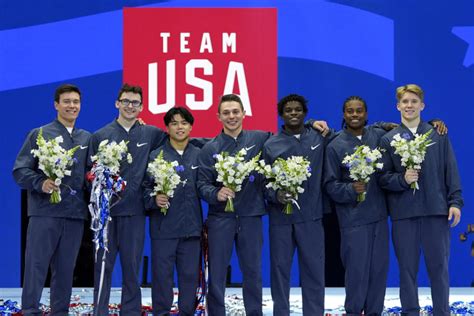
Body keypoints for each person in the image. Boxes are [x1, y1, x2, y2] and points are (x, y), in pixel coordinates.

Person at [379, 84, 463, 315]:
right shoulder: (389, 140)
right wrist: (403, 179)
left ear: (422, 105)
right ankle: (410, 312)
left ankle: (441, 312)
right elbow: (383, 179)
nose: (409, 106)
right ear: (398, 106)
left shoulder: (438, 134)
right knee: (407, 269)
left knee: (439, 268)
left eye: (413, 102)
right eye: (405, 102)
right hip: (403, 214)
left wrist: (455, 202)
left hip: (436, 211)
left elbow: (450, 170)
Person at [13, 84, 91, 315]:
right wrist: (40, 183)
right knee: (36, 265)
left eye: (76, 102)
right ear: (56, 104)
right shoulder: (40, 134)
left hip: (74, 214)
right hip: (44, 212)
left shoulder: (86, 138)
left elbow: (90, 174)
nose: (71, 106)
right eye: (66, 101)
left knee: (66, 268)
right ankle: (29, 310)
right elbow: (20, 170)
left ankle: (60, 312)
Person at [89, 83, 166, 316]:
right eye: (126, 101)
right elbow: (90, 173)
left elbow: (178, 143)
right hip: (106, 215)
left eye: (135, 103)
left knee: (131, 269)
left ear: (142, 107)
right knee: (103, 267)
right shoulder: (101, 135)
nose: (130, 106)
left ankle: (130, 312)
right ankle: (99, 312)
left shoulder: (151, 134)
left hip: (135, 212)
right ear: (117, 103)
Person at [263, 94, 329, 315]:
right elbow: (263, 182)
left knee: (314, 270)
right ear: (281, 114)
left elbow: (352, 133)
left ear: (305, 113)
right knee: (280, 271)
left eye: (298, 109)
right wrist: (276, 195)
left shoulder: (319, 137)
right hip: (281, 219)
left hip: (311, 217)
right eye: (288, 110)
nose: (293, 113)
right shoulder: (271, 144)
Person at [324, 96, 389, 315]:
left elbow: (404, 133)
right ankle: (353, 312)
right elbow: (330, 184)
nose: (354, 115)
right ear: (343, 114)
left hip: (379, 216)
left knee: (378, 272)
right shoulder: (335, 145)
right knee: (357, 273)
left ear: (366, 114)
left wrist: (435, 121)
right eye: (350, 111)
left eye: (359, 111)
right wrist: (350, 190)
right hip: (353, 220)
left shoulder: (378, 136)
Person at [143, 107, 203, 316]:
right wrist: (153, 199)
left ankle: (187, 312)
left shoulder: (199, 154)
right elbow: (143, 190)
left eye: (184, 123)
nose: (180, 127)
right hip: (163, 229)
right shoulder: (155, 156)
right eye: (175, 123)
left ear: (191, 126)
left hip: (191, 229)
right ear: (167, 127)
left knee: (189, 277)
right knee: (162, 277)